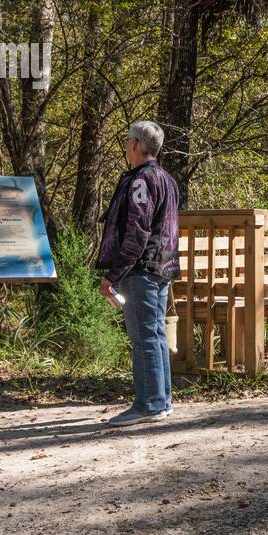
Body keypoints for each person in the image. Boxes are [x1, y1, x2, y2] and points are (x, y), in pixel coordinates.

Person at [96, 120, 181, 426]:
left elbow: (138, 231)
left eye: (127, 141)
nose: (125, 146)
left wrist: (115, 273)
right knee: (155, 334)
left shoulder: (142, 181)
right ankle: (162, 400)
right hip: (161, 266)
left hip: (142, 268)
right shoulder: (167, 179)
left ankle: (148, 405)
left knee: (144, 336)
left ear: (134, 144)